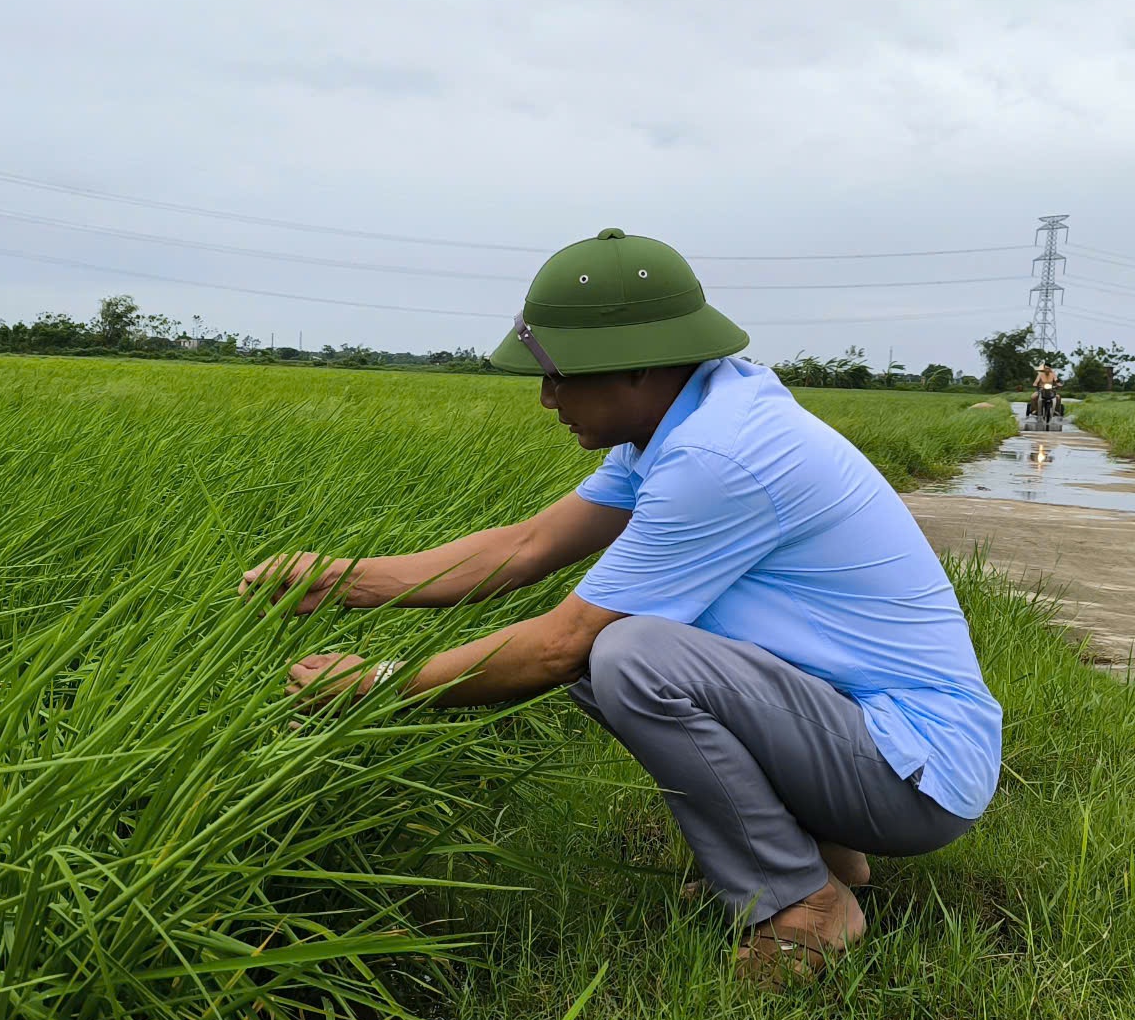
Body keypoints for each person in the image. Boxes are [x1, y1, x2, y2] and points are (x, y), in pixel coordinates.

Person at [244, 229, 1001, 981]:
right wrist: (345, 579)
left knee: (625, 654)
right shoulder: (680, 425)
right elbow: (528, 545)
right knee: (614, 647)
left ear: (636, 368)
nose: (546, 399)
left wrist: (374, 687)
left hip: (913, 776)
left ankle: (805, 904)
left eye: (559, 375)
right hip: (870, 740)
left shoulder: (717, 453)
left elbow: (557, 645)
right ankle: (819, 854)